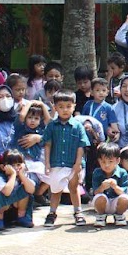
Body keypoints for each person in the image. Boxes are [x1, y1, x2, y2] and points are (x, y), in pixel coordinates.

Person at [39, 92, 89, 226]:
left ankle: (78, 212)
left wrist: (78, 163)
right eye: (61, 106)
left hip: (72, 163)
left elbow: (81, 145)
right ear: (55, 107)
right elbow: (47, 144)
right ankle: (52, 213)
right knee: (55, 190)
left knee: (74, 188)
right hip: (56, 162)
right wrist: (47, 163)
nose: (65, 110)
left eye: (68, 106)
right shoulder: (51, 125)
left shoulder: (78, 126)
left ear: (74, 106)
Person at [86, 143, 128, 227]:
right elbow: (95, 192)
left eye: (110, 162)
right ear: (99, 161)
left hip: (116, 202)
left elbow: (124, 193)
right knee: (100, 197)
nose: (106, 165)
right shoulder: (97, 172)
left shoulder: (122, 172)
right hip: (104, 202)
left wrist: (115, 187)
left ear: (117, 161)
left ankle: (119, 215)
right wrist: (102, 187)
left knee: (125, 199)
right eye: (103, 162)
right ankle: (100, 216)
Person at [0, 150, 35, 229]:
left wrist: (21, 175)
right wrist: (13, 175)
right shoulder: (0, 178)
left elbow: (31, 190)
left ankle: (21, 216)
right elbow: (7, 192)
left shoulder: (22, 176)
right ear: (3, 167)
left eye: (18, 164)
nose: (16, 168)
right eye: (12, 166)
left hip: (14, 208)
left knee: (25, 189)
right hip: (2, 208)